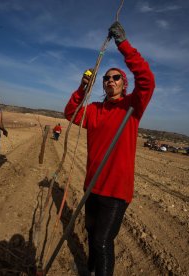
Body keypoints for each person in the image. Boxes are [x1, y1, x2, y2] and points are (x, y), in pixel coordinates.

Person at [64, 21, 155, 275]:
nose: (110, 81)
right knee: (92, 235)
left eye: (116, 78)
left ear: (123, 83)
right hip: (92, 186)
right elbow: (71, 112)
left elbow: (146, 80)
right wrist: (83, 87)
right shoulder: (93, 111)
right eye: (106, 78)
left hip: (116, 192)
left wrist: (123, 45)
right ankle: (91, 270)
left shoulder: (132, 107)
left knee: (103, 241)